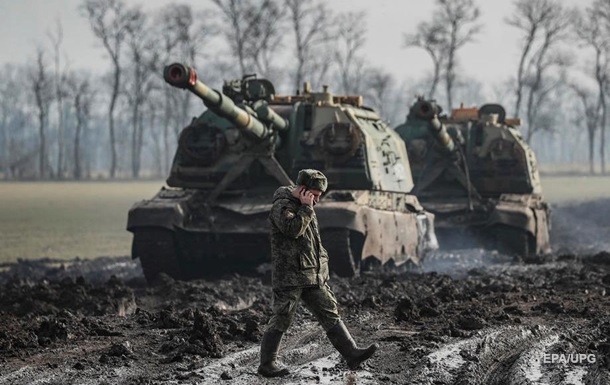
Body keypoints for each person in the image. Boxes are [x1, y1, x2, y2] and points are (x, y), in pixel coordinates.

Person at [258, 168, 378, 378]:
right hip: (291, 275)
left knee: (329, 311)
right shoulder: (283, 205)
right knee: (283, 316)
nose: (317, 199)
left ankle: (351, 353)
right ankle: (267, 363)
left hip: (311, 274)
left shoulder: (306, 205)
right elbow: (292, 229)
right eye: (315, 194)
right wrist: (305, 209)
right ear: (304, 190)